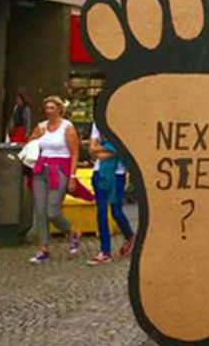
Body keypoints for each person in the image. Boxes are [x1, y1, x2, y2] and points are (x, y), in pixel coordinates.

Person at [27, 95, 81, 264]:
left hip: (59, 170)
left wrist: (72, 176)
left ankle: (71, 232)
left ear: (59, 109)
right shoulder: (41, 127)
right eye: (46, 108)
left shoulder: (67, 127)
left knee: (52, 210)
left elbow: (75, 152)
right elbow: (29, 144)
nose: (48, 111)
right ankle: (43, 248)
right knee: (40, 211)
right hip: (41, 169)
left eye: (52, 108)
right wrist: (36, 139)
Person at [87, 123, 135, 266]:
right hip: (99, 172)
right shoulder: (98, 124)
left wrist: (100, 150)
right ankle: (105, 251)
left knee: (116, 211)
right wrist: (110, 149)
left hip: (117, 174)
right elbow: (92, 150)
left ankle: (129, 235)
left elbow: (123, 149)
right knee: (101, 212)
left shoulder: (123, 121)